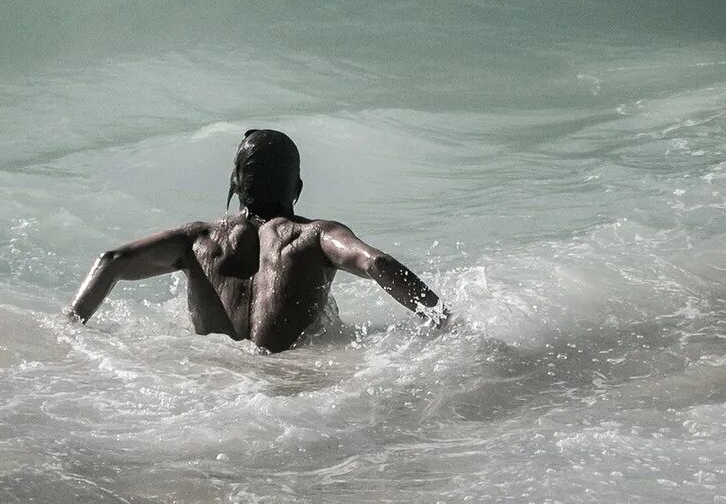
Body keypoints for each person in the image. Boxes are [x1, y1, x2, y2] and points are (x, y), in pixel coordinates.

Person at [64, 129, 448, 352]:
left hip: (211, 380)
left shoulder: (196, 239)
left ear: (234, 186)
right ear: (296, 187)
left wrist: (71, 327)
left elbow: (111, 260)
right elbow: (377, 264)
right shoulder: (315, 235)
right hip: (288, 387)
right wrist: (444, 319)